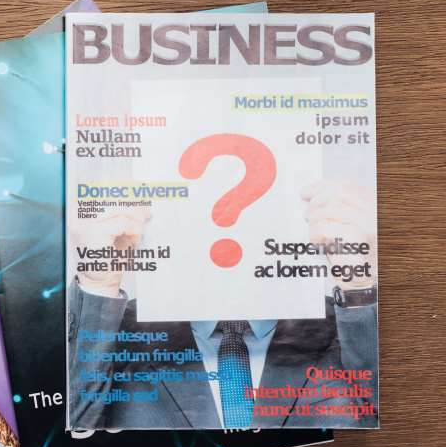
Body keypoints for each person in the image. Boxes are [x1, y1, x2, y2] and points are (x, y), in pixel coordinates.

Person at [68, 180, 378, 429]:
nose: (228, 233)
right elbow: (71, 441)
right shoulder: (113, 331)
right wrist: (98, 285)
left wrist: (360, 285)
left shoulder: (352, 321)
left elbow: (382, 427)